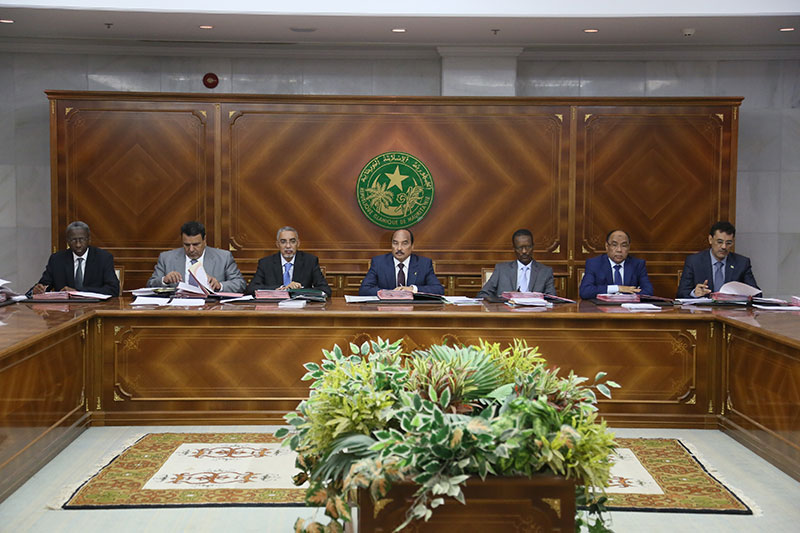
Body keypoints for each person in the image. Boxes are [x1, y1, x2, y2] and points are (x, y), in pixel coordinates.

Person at [147, 221, 245, 293]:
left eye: (196, 244)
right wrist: (164, 280)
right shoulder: (166, 258)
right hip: (177, 308)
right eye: (186, 245)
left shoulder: (223, 257)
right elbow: (150, 284)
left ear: (204, 240)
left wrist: (220, 286)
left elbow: (240, 284)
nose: (191, 249)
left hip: (210, 307)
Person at [30, 221, 120, 297]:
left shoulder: (103, 258)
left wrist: (78, 291)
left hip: (95, 308)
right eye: (73, 240)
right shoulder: (57, 259)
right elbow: (44, 285)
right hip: (64, 310)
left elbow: (113, 289)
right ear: (68, 241)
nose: (78, 245)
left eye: (82, 239)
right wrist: (37, 290)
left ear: (89, 239)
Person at [676, 221, 759, 298]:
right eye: (719, 242)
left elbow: (757, 294)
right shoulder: (694, 261)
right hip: (703, 308)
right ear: (710, 239)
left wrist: (742, 294)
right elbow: (681, 293)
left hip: (731, 308)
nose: (724, 247)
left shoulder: (742, 263)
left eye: (728, 243)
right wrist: (694, 293)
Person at [246, 226, 331, 297]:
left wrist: (299, 290)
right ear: (277, 244)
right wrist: (281, 288)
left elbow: (325, 290)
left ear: (298, 243)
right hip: (274, 308)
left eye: (292, 241)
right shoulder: (265, 263)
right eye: (283, 242)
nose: (288, 246)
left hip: (301, 308)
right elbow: (251, 289)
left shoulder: (310, 261)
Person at [359, 228, 444, 296]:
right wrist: (390, 293)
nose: (399, 248)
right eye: (395, 243)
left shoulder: (424, 264)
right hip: (386, 309)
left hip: (415, 310)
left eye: (404, 243)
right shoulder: (379, 262)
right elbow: (364, 290)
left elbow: (438, 290)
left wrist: (412, 289)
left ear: (412, 246)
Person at [477, 229, 555, 299]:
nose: (524, 251)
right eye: (520, 248)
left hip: (535, 310)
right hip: (507, 309)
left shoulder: (545, 272)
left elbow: (552, 299)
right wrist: (500, 303)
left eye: (528, 247)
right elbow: (483, 294)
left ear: (533, 247)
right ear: (514, 249)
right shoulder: (501, 270)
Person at [579, 229, 654, 299]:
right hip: (603, 308)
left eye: (624, 245)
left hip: (629, 307)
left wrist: (623, 297)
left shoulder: (637, 264)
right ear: (607, 246)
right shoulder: (594, 264)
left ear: (629, 247)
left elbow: (648, 291)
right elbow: (585, 291)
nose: (619, 250)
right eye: (614, 245)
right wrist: (618, 288)